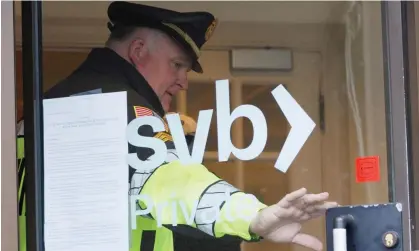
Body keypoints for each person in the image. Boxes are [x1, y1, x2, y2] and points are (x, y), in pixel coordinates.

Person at [19, 1, 338, 251]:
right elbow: (173, 182)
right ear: (138, 51)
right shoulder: (117, 110)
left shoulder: (38, 112)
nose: (183, 82)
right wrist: (253, 217)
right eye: (176, 65)